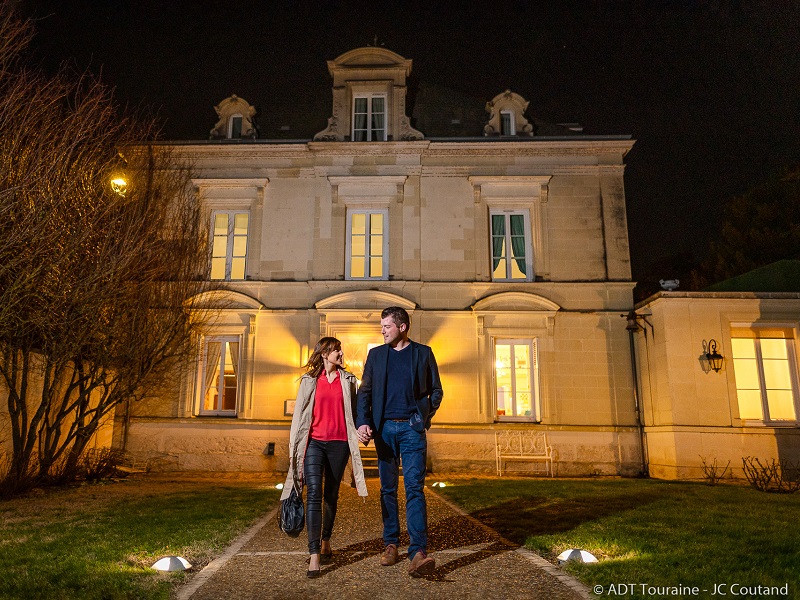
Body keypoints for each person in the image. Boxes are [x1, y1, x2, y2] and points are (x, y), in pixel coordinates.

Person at [356, 306, 443, 577]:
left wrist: (423, 417)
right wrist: (363, 422)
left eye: (386, 326)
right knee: (387, 490)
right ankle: (391, 544)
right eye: (381, 326)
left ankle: (418, 552)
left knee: (415, 489)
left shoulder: (423, 353)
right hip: (384, 432)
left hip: (411, 431)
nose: (382, 330)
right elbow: (364, 393)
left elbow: (436, 391)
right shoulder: (376, 355)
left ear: (402, 327)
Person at [281, 337, 368, 578]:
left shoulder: (349, 380)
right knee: (313, 495)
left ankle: (326, 538)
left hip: (339, 444)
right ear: (324, 354)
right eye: (336, 350)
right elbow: (298, 417)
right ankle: (314, 555)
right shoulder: (309, 381)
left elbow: (358, 410)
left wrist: (363, 429)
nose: (341, 353)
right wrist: (293, 450)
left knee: (331, 495)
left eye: (340, 349)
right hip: (314, 444)